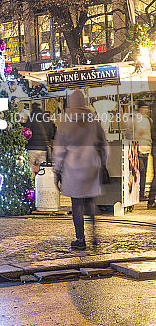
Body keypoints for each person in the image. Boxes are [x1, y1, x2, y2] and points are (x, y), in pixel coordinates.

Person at [53, 88, 108, 251]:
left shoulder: (65, 124)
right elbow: (104, 145)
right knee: (89, 201)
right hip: (91, 166)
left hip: (73, 168)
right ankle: (94, 234)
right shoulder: (94, 122)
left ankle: (80, 239)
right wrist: (102, 163)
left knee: (76, 204)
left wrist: (57, 170)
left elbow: (59, 151)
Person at [124, 103, 152, 200]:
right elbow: (128, 132)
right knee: (140, 172)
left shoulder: (148, 120)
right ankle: (138, 193)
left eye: (146, 109)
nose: (144, 111)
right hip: (138, 148)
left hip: (146, 148)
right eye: (143, 109)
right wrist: (136, 136)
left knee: (144, 173)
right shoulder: (134, 119)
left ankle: (141, 193)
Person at [24, 102, 49, 176]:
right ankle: (42, 181)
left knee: (29, 168)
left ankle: (31, 181)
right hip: (43, 148)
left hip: (32, 147)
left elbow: (26, 132)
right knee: (43, 169)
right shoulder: (46, 119)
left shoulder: (31, 119)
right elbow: (51, 132)